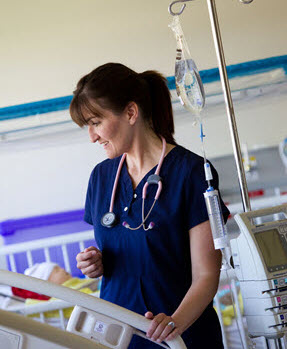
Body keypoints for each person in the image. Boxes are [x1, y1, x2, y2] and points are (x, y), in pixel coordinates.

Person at [71, 63, 230, 348]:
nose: (92, 136)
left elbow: (207, 274)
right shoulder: (101, 177)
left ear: (131, 113)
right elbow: (125, 253)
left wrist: (174, 323)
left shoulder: (192, 173)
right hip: (119, 336)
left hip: (183, 336)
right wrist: (95, 263)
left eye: (96, 122)